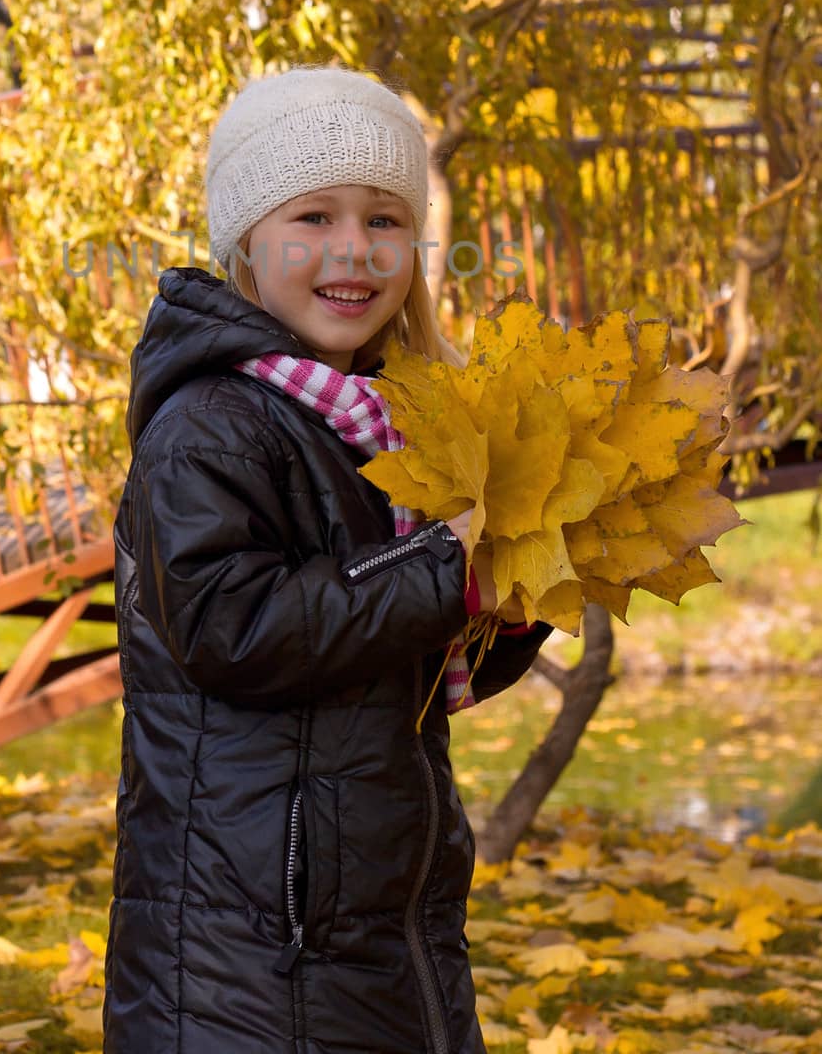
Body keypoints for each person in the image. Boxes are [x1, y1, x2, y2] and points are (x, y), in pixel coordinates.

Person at [103, 63, 553, 1054]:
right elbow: (233, 627)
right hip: (247, 959)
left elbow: (408, 664)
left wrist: (503, 617)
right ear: (246, 245)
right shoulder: (211, 426)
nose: (352, 248)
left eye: (384, 219)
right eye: (311, 215)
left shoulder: (387, 423)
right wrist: (448, 571)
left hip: (377, 928)